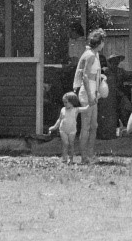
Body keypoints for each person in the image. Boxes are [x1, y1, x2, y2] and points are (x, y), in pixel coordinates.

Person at [73, 28, 106, 164]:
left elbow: (92, 74)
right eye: (103, 41)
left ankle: (90, 154)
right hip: (87, 93)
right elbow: (85, 77)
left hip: (93, 93)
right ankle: (84, 157)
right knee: (86, 126)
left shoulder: (94, 54)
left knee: (94, 125)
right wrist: (90, 96)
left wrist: (101, 78)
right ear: (99, 42)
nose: (104, 44)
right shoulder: (90, 55)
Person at [47, 92, 91, 164]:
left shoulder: (76, 110)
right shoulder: (63, 109)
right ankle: (64, 159)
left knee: (71, 144)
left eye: (66, 102)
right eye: (64, 102)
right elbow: (59, 119)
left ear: (72, 102)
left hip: (72, 131)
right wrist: (54, 127)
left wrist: (91, 103)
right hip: (63, 130)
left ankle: (71, 159)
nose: (64, 104)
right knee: (65, 143)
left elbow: (86, 109)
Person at [97, 54, 125, 139]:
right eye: (113, 61)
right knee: (106, 115)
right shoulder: (105, 71)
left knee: (116, 114)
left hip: (116, 95)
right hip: (107, 96)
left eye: (117, 61)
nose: (115, 63)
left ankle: (114, 132)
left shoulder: (120, 71)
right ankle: (105, 134)